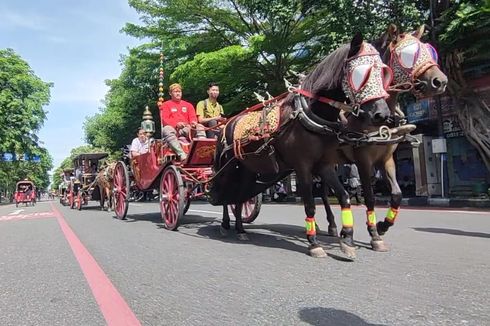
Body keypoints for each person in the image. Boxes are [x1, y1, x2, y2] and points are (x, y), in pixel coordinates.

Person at [159, 83, 205, 161]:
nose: (178, 93)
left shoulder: (188, 105)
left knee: (200, 127)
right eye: (175, 91)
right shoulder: (165, 105)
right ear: (170, 93)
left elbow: (193, 118)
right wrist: (176, 124)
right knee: (166, 129)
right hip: (174, 130)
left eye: (179, 91)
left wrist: (193, 123)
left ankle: (203, 151)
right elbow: (164, 119)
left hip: (187, 128)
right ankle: (182, 155)